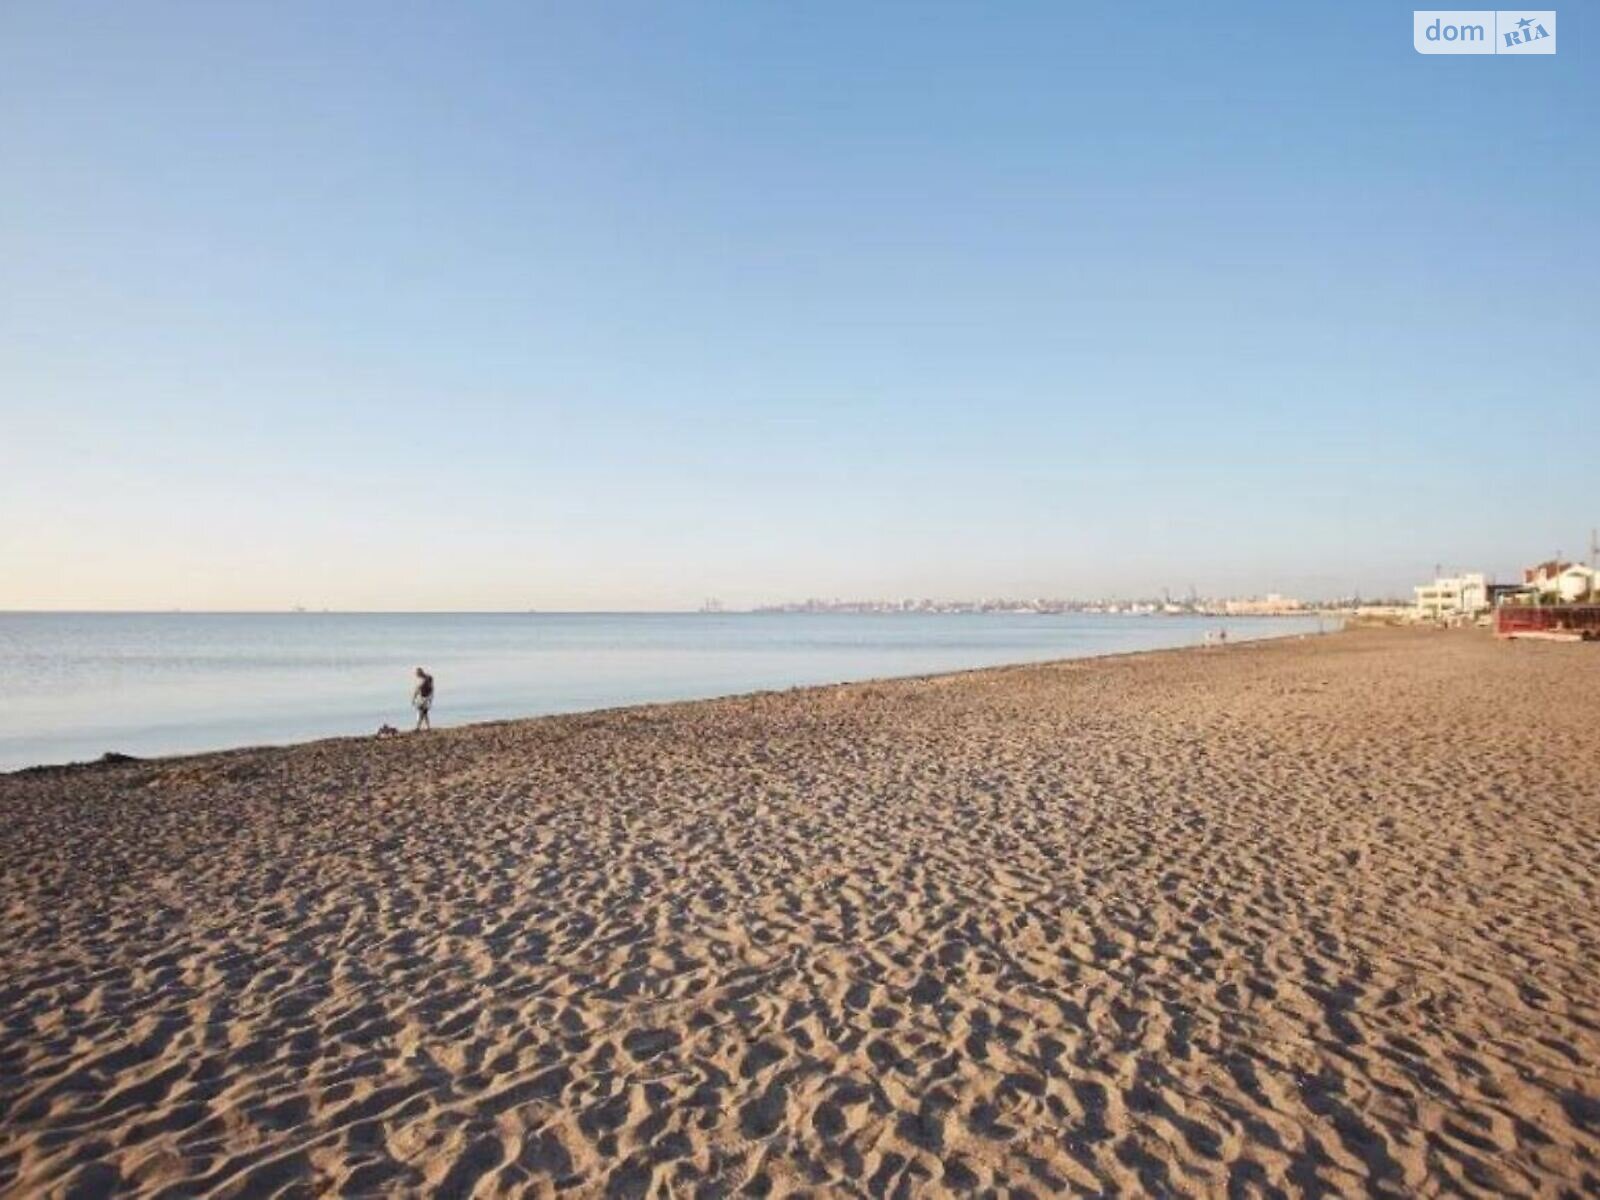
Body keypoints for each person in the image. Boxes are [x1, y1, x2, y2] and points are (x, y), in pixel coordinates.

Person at [412, 667, 434, 731]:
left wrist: (414, 697)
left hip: (425, 697)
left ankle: (418, 727)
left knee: (421, 712)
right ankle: (427, 727)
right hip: (424, 697)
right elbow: (418, 689)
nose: (416, 675)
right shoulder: (425, 679)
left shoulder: (426, 679)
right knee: (424, 713)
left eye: (417, 673)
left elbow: (418, 689)